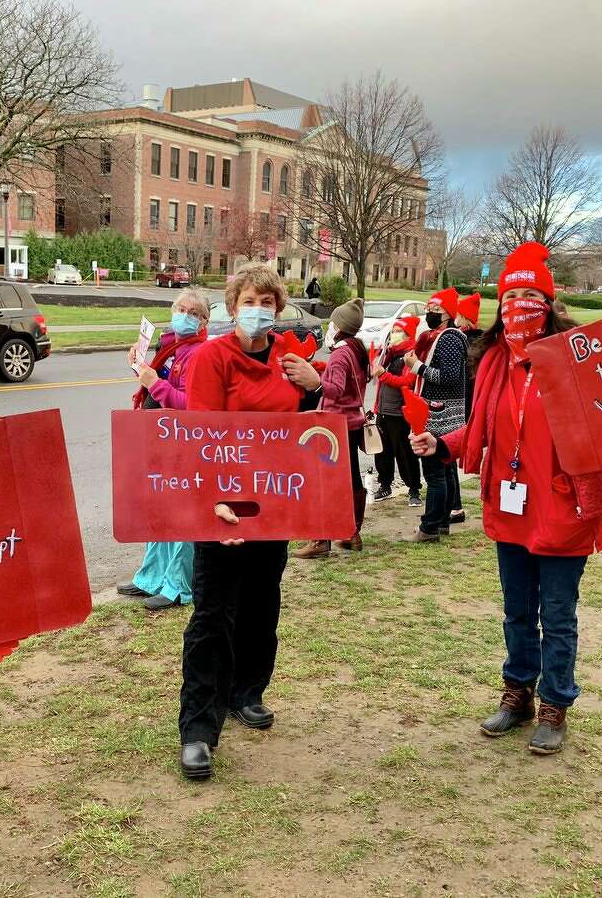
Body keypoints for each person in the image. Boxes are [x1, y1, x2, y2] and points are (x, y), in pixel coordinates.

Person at [412, 242, 602, 755]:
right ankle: (518, 694)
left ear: (549, 305)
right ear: (500, 306)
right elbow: (484, 429)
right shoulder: (491, 364)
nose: (521, 305)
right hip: (510, 507)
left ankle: (556, 701)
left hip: (564, 510)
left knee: (557, 614)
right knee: (515, 611)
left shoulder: (579, 362)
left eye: (533, 295)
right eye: (513, 296)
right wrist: (443, 442)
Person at [177, 264, 323, 780]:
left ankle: (247, 692)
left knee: (262, 605)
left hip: (273, 505)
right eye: (248, 300)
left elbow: (310, 435)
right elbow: (200, 433)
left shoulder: (291, 359)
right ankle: (198, 728)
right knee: (212, 616)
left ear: (278, 307)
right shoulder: (214, 358)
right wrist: (214, 496)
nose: (257, 308)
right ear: (232, 307)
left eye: (266, 300)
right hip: (221, 507)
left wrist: (314, 387)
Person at [117, 289, 210, 610]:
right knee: (158, 511)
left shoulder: (199, 354)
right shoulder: (169, 345)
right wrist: (140, 366)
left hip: (183, 442)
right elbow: (160, 382)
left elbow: (191, 403)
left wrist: (153, 381)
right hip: (159, 438)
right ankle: (152, 577)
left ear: (203, 321)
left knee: (182, 515)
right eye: (180, 308)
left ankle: (178, 586)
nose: (184, 315)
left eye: (192, 312)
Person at [295, 297, 369, 558]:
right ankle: (352, 532)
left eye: (332, 322)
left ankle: (320, 540)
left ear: (339, 325)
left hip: (334, 425)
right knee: (351, 480)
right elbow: (352, 382)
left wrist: (315, 382)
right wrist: (323, 370)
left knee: (324, 481)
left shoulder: (340, 353)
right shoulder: (357, 349)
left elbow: (336, 389)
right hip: (352, 423)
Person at [404, 287, 468, 543]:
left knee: (435, 473)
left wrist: (417, 367)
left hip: (441, 416)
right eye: (428, 309)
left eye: (435, 310)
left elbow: (450, 378)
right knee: (445, 470)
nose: (429, 314)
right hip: (443, 412)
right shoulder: (441, 337)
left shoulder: (450, 338)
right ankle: (441, 523)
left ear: (448, 314)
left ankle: (430, 526)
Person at [369, 315, 423, 507]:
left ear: (408, 335)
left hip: (400, 413)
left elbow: (406, 382)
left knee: (405, 452)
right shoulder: (388, 354)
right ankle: (385, 485)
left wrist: (383, 374)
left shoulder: (410, 355)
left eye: (399, 331)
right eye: (393, 331)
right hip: (383, 411)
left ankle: (414, 489)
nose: (394, 335)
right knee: (382, 451)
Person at [450, 292, 484, 526]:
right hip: (468, 401)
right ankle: (455, 505)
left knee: (449, 458)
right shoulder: (478, 342)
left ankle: (455, 506)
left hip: (463, 402)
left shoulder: (465, 342)